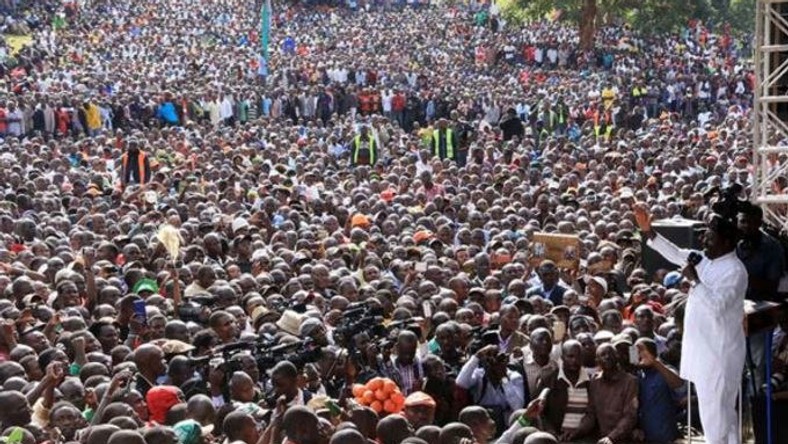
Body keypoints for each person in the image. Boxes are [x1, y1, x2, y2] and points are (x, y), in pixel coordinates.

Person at [637, 204, 747, 444]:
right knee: (722, 416)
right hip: (704, 353)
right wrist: (649, 232)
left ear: (727, 243)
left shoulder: (735, 271)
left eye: (710, 237)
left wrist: (695, 281)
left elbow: (719, 306)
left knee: (716, 418)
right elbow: (677, 254)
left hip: (719, 356)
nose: (704, 241)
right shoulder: (706, 260)